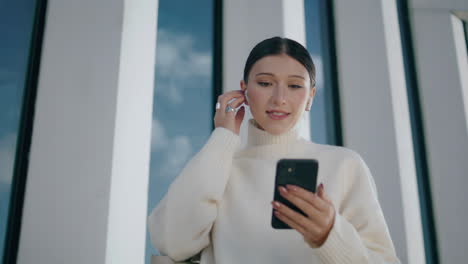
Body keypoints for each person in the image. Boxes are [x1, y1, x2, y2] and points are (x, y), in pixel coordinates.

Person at [148, 36, 401, 263]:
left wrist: (330, 235)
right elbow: (173, 243)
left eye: (294, 86)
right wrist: (222, 137)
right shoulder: (218, 166)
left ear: (311, 96)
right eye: (265, 83)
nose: (279, 98)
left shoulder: (345, 165)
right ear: (244, 91)